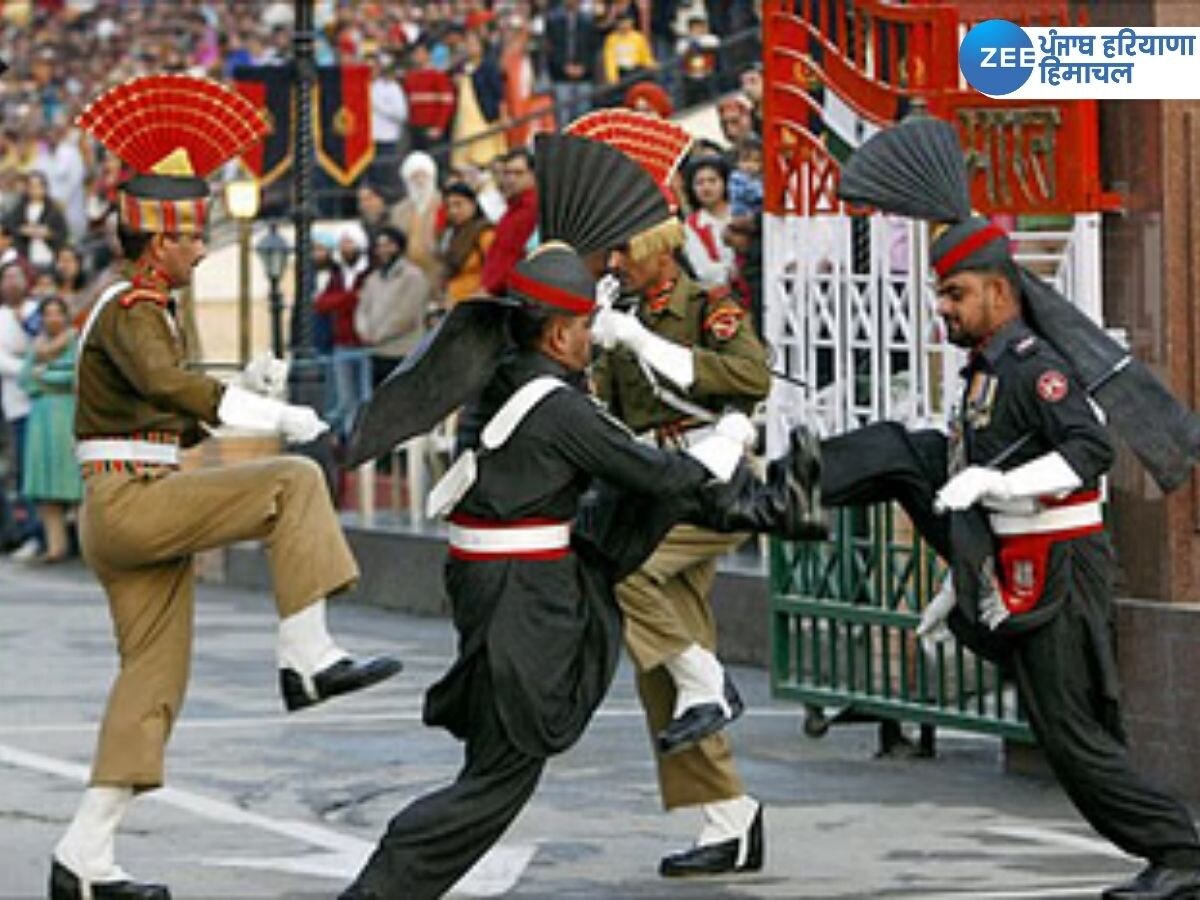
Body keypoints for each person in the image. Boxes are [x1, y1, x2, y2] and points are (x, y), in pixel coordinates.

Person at [823, 118, 1200, 900]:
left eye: (956, 293)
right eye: (940, 294)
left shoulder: (1036, 368)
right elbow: (964, 469)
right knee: (905, 451)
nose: (945, 308)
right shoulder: (984, 370)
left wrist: (995, 488)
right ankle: (785, 487)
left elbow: (1090, 452)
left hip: (1057, 569)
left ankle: (1180, 851)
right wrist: (961, 573)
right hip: (1013, 560)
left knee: (1072, 740)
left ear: (999, 289)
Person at [51, 75, 401, 900]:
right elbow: (176, 392)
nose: (203, 247)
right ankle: (306, 657)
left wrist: (242, 384)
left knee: (153, 681)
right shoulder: (136, 306)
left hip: (133, 495)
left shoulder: (144, 310)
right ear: (157, 241)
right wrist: (276, 416)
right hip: (135, 502)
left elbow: (169, 416)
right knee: (292, 480)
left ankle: (83, 856)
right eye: (193, 235)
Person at [340, 243, 759, 900]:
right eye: (587, 328)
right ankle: (382, 889)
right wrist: (727, 442)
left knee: (494, 761)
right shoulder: (558, 407)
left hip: (496, 585)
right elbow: (648, 472)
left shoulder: (506, 378)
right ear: (560, 334)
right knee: (501, 777)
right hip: (522, 599)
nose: (593, 338)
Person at [18, 295, 81, 563]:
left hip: (66, 415)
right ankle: (56, 547)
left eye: (57, 313)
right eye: (47, 313)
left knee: (75, 486)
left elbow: (76, 376)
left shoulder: (75, 342)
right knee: (45, 486)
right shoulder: (37, 344)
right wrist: (48, 377)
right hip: (40, 417)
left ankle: (87, 546)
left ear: (66, 316)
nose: (52, 318)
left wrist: (45, 374)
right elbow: (24, 379)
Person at [437, 181, 495, 305]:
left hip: (475, 305)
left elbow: (495, 272)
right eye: (448, 206)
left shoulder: (485, 234)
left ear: (473, 204)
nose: (453, 211)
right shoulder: (450, 235)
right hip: (452, 304)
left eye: (458, 205)